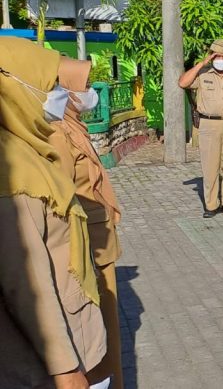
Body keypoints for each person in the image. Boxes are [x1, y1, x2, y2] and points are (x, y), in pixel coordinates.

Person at [0, 36, 107, 389]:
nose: (56, 95)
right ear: (17, 88)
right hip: (47, 364)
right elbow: (28, 284)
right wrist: (66, 371)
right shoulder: (12, 171)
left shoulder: (23, 147)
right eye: (48, 86)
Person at [48, 80, 126, 389]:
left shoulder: (72, 124)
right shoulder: (58, 132)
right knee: (95, 331)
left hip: (97, 238)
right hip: (86, 245)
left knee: (107, 322)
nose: (89, 92)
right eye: (82, 85)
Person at [178, 39, 223, 218]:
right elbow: (183, 83)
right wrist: (202, 64)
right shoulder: (203, 74)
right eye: (217, 56)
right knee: (210, 166)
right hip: (209, 124)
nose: (221, 60)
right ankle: (211, 205)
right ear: (211, 56)